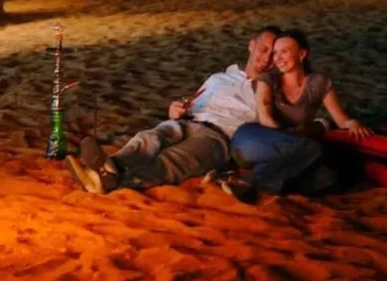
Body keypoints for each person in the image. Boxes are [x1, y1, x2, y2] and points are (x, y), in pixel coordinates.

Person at [65, 25, 282, 194]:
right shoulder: (220, 78)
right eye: (263, 49)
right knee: (150, 137)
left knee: (173, 160)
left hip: (219, 137)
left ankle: (118, 183)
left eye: (273, 55)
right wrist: (177, 109)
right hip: (189, 122)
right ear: (251, 45)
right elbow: (192, 102)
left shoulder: (269, 89)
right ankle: (111, 167)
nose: (266, 58)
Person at [226, 29, 373, 199]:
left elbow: (341, 120)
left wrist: (352, 123)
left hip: (292, 150)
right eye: (275, 53)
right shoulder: (267, 80)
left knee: (331, 175)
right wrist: (296, 138)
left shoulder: (319, 83)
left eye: (284, 52)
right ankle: (249, 182)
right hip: (253, 141)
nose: (278, 58)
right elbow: (266, 119)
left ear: (302, 54)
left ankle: (271, 186)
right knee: (312, 149)